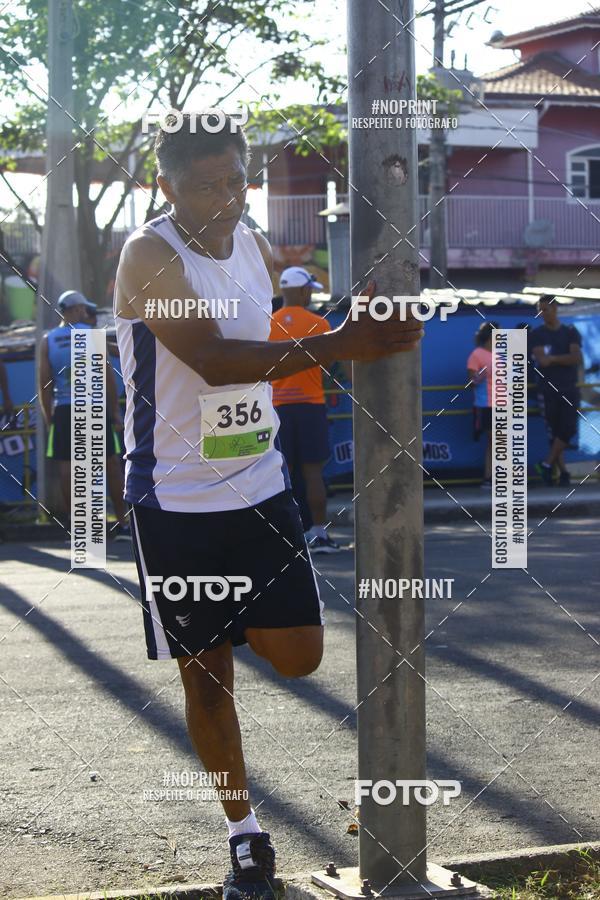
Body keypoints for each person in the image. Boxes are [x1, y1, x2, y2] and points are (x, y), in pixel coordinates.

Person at [113, 111, 423, 900]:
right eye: (204, 184)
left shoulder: (251, 244)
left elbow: (269, 341)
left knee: (297, 654)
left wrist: (365, 326)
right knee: (206, 676)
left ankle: (224, 622)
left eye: (235, 179)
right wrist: (343, 344)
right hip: (175, 501)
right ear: (166, 186)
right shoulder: (150, 253)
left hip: (258, 487)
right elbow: (215, 361)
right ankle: (244, 836)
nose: (224, 198)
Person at [38, 290, 130, 538]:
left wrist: (50, 419)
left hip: (65, 411)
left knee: (68, 469)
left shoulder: (48, 340)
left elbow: (44, 385)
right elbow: (109, 380)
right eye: (85, 310)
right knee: (111, 464)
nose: (87, 314)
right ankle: (122, 523)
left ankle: (79, 527)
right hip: (95, 408)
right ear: (76, 309)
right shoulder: (92, 335)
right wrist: (115, 413)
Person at [270, 266, 340, 552]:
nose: (311, 293)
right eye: (310, 288)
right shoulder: (319, 324)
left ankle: (287, 535)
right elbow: (327, 369)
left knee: (281, 474)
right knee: (313, 472)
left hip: (275, 409)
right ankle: (319, 533)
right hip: (310, 405)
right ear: (301, 290)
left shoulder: (267, 323)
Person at [530, 295, 582, 486]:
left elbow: (575, 357)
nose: (543, 314)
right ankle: (562, 472)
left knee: (568, 429)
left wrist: (553, 359)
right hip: (547, 389)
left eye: (546, 309)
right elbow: (542, 360)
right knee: (554, 432)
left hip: (568, 387)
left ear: (555, 309)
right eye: (540, 310)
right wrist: (559, 358)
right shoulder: (537, 334)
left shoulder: (570, 331)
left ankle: (546, 464)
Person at [466, 321, 497, 488]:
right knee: (494, 440)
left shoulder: (501, 355)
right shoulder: (476, 354)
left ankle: (496, 477)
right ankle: (489, 477)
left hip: (502, 404)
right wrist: (482, 374)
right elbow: (472, 381)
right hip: (486, 404)